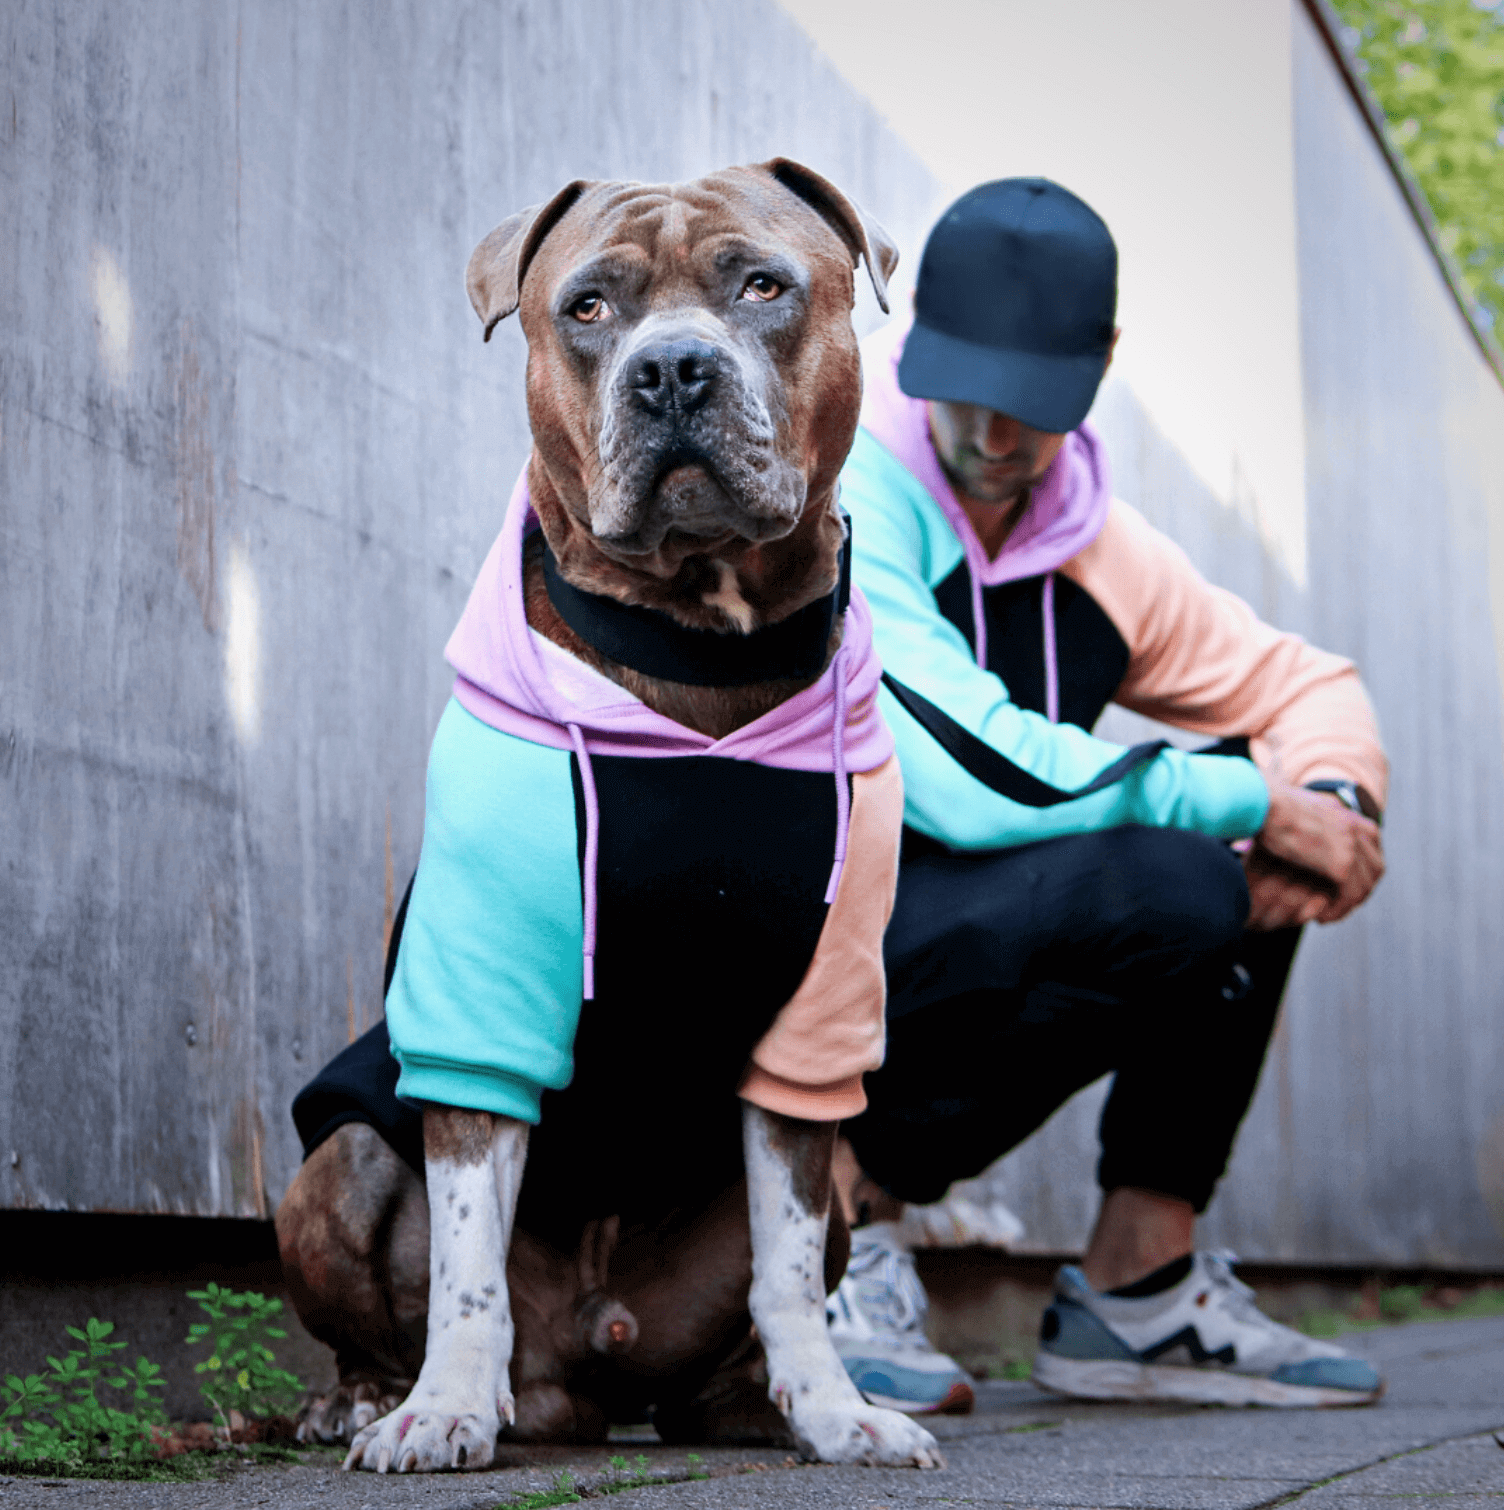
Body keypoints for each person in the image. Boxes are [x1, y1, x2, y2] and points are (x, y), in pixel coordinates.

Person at [825, 179, 1387, 1415]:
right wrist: (1246, 798)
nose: (994, 432)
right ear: (916, 338)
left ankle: (1140, 1285)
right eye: (964, 386)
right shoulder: (843, 484)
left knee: (1228, 854)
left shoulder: (1099, 546)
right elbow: (965, 780)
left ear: (1101, 365)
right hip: (797, 961)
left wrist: (1329, 801)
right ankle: (825, 1230)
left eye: (1034, 402)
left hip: (947, 966)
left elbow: (1307, 684)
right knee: (1205, 835)